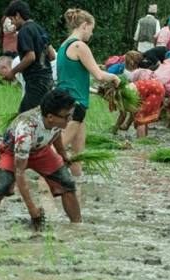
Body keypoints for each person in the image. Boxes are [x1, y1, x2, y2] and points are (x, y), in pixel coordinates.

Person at [0, 89, 81, 226]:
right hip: (13, 152)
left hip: (41, 150)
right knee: (1, 187)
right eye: (67, 116)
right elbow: (20, 173)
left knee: (67, 184)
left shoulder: (57, 120)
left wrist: (62, 153)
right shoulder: (26, 129)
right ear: (50, 117)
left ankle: (77, 226)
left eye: (71, 115)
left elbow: (56, 132)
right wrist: (32, 208)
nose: (70, 119)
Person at [56, 8, 120, 176]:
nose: (91, 34)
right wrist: (114, 77)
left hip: (66, 100)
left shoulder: (64, 45)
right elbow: (99, 75)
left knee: (79, 155)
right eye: (91, 29)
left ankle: (77, 185)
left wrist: (94, 91)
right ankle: (43, 185)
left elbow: (71, 79)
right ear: (84, 26)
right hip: (74, 104)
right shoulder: (79, 46)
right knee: (57, 149)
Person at [0, 0, 57, 114]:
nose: (12, 23)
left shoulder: (24, 31)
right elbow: (52, 55)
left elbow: (30, 57)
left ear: (17, 15)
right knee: (40, 115)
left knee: (24, 116)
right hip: (48, 80)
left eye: (11, 19)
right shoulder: (40, 29)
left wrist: (12, 72)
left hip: (36, 82)